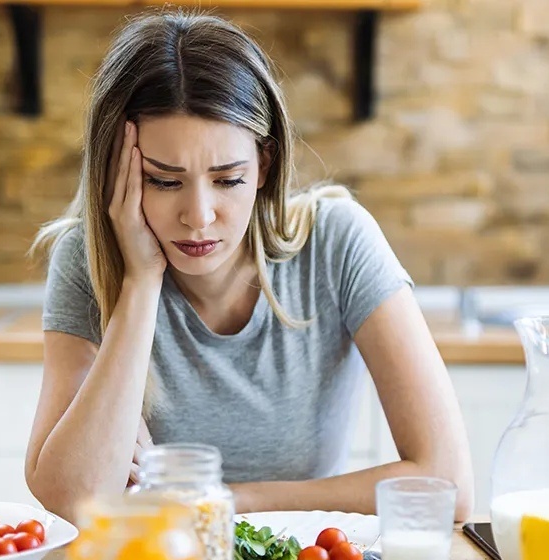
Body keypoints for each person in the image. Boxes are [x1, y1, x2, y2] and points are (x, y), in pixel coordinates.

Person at [24, 9, 474, 522]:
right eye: (164, 181)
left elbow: (449, 485)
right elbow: (72, 499)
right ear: (116, 172)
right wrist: (140, 284)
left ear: (264, 164)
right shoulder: (87, 261)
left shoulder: (335, 241)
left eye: (228, 179)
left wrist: (223, 500)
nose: (198, 216)